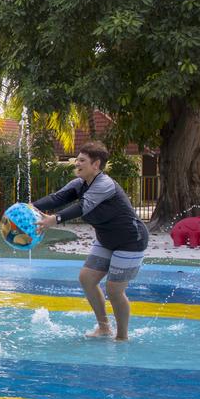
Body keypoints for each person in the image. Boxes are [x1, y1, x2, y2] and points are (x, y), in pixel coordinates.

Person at [32, 142, 149, 341]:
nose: (77, 163)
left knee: (114, 290)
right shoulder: (79, 183)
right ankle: (104, 328)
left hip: (131, 240)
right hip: (106, 240)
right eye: (77, 159)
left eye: (82, 160)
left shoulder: (104, 184)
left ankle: (122, 337)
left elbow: (82, 207)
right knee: (87, 279)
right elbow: (57, 198)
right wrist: (29, 206)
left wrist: (55, 219)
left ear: (96, 164)